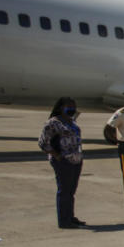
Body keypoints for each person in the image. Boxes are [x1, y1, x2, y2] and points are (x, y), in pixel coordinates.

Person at [38, 97, 84, 228]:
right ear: (60, 108)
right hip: (63, 161)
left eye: (73, 106)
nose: (72, 109)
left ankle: (70, 216)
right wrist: (56, 155)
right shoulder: (53, 123)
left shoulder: (72, 122)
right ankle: (64, 221)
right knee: (64, 191)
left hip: (76, 160)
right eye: (69, 106)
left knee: (71, 191)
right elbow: (42, 143)